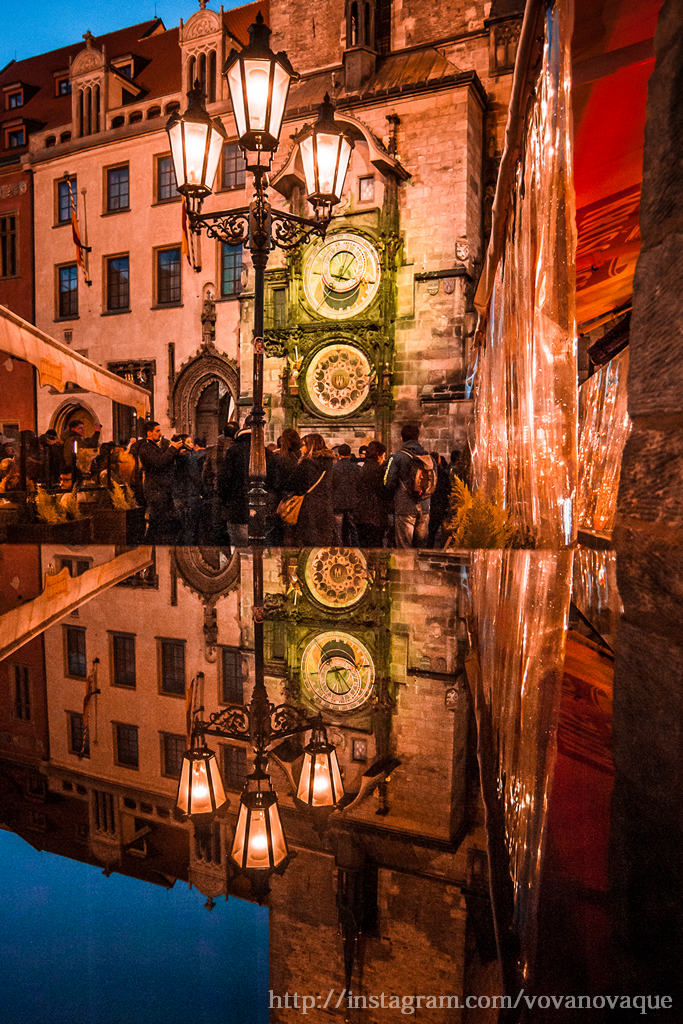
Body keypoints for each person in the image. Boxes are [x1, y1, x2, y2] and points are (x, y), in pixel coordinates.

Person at [383, 423, 436, 548]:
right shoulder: (429, 458)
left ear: (402, 438)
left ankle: (406, 567)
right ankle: (420, 567)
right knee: (421, 546)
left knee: (404, 547)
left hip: (404, 506)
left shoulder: (397, 457)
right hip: (425, 505)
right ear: (418, 438)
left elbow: (388, 482)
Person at [285, 432, 336, 546]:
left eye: (303, 445)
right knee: (323, 542)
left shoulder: (306, 464)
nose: (301, 449)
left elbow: (291, 483)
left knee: (309, 542)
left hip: (308, 507)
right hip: (325, 507)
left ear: (310, 446)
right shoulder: (330, 463)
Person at [137, 421, 182, 542]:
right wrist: (172, 449)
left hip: (162, 490)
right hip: (155, 491)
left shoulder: (154, 446)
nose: (160, 434)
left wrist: (176, 451)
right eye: (157, 431)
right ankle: (150, 548)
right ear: (149, 433)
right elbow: (159, 462)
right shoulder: (146, 448)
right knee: (158, 524)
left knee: (163, 523)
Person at [356, 440, 389, 547]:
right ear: (379, 455)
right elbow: (383, 492)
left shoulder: (364, 467)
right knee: (375, 546)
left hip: (361, 514)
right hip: (374, 515)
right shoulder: (378, 470)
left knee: (364, 545)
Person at [173, 435, 205, 544]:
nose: (192, 444)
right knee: (190, 528)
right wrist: (202, 490)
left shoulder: (173, 457)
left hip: (177, 495)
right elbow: (194, 475)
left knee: (180, 527)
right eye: (189, 442)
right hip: (190, 494)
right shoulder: (189, 457)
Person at [331, 442, 360, 545]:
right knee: (353, 531)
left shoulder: (333, 468)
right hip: (353, 503)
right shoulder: (356, 468)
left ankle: (340, 550)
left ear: (338, 454)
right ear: (350, 454)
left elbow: (331, 486)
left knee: (338, 532)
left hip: (337, 504)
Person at [427, 453, 452, 548]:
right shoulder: (443, 473)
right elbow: (448, 490)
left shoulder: (428, 472)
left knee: (430, 532)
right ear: (439, 460)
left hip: (431, 503)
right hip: (440, 504)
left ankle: (428, 549)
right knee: (437, 530)